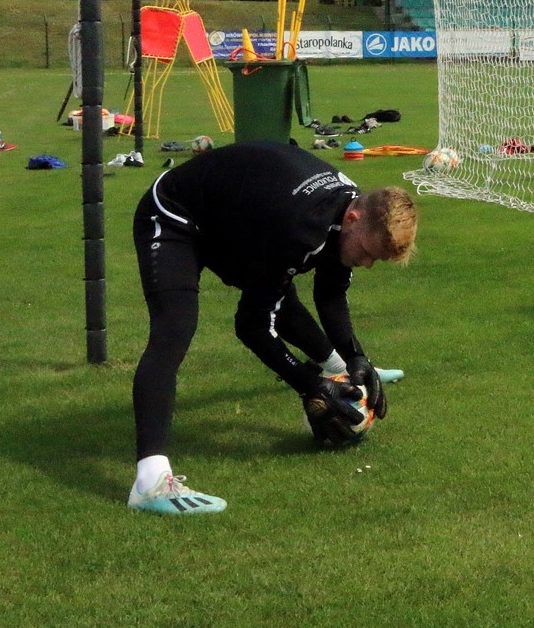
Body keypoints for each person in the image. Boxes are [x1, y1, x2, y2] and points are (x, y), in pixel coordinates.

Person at [126, 141, 417, 514]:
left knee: (279, 294)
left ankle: (341, 370)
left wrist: (356, 359)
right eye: (366, 253)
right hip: (173, 214)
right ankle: (149, 483)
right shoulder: (301, 226)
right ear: (354, 220)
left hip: (228, 218)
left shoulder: (347, 210)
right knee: (174, 330)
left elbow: (330, 294)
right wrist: (309, 385)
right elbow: (251, 326)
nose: (367, 264)